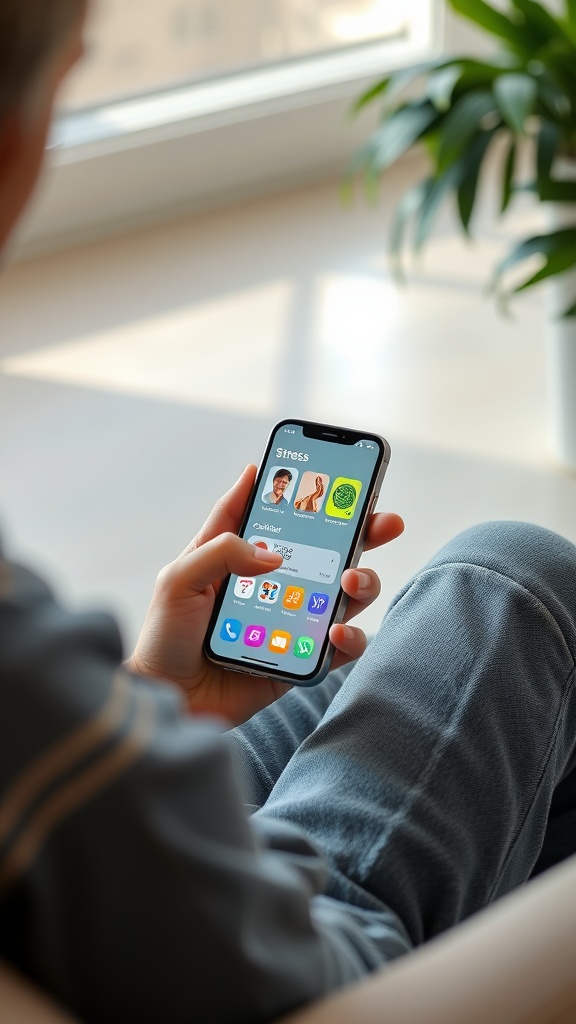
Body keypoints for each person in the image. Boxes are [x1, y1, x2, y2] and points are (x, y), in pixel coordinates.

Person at [1, 5, 576, 1024]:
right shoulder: (18, 668)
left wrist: (154, 701)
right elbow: (276, 970)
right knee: (510, 581)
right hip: (307, 950)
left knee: (385, 663)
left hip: (111, 849)